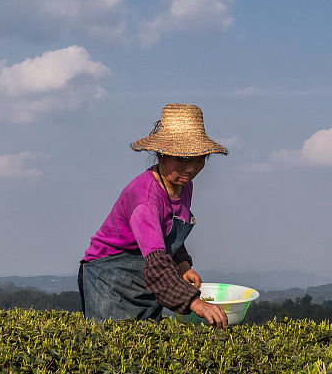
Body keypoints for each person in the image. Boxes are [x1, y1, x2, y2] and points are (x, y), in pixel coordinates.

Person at [80, 104, 229, 327]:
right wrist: (195, 302)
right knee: (113, 348)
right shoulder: (146, 201)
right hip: (109, 278)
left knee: (145, 345)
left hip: (143, 275)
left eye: (199, 159)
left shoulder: (183, 184)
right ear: (161, 154)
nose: (191, 168)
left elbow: (168, 231)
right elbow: (157, 264)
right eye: (182, 159)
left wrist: (182, 265)